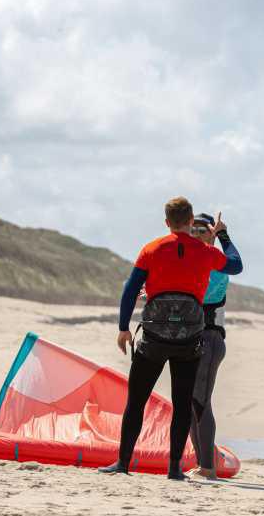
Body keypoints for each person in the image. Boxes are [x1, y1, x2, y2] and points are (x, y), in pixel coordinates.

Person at [99, 197, 242, 480]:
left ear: (167, 223)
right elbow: (236, 265)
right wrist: (222, 234)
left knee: (136, 401)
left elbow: (129, 290)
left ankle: (123, 463)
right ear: (190, 221)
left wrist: (123, 327)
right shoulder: (204, 252)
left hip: (153, 337)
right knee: (182, 402)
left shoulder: (152, 249)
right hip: (189, 339)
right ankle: (175, 468)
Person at [186, 213, 232, 481]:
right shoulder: (191, 261)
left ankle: (207, 467)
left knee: (201, 402)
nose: (196, 234)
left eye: (202, 230)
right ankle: (201, 461)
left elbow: (199, 295)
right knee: (190, 402)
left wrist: (224, 235)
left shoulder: (217, 264)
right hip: (190, 339)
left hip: (209, 340)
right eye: (192, 230)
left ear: (212, 235)